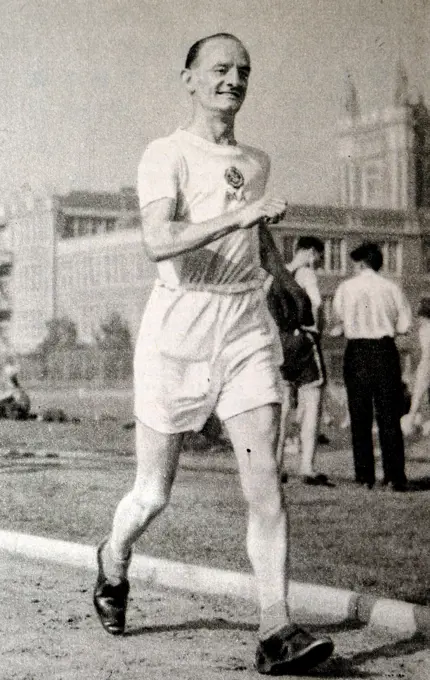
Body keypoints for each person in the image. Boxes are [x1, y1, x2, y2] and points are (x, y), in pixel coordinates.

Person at [93, 33, 334, 675]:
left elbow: (255, 230)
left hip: (244, 327)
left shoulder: (256, 160)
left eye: (244, 71)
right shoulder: (164, 153)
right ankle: (113, 559)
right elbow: (158, 239)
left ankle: (275, 627)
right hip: (178, 327)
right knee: (152, 494)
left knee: (266, 490)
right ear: (191, 79)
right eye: (220, 68)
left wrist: (280, 276)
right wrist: (242, 216)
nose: (233, 79)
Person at [332, 241, 412, 491]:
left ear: (360, 263)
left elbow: (338, 323)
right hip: (384, 351)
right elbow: (404, 325)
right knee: (389, 416)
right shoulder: (392, 287)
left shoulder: (346, 287)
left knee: (360, 416)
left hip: (357, 352)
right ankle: (395, 476)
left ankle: (364, 476)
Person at [276, 236, 332, 486]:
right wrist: (317, 330)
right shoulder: (306, 273)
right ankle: (307, 466)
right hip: (304, 341)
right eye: (319, 256)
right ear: (310, 252)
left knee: (284, 406)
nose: (319, 262)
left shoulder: (280, 273)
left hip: (282, 341)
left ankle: (277, 465)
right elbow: (317, 303)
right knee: (312, 403)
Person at [401, 297, 430, 436]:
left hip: (426, 365)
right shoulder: (424, 328)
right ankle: (418, 422)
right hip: (425, 364)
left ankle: (411, 422)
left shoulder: (425, 329)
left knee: (418, 397)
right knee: (419, 396)